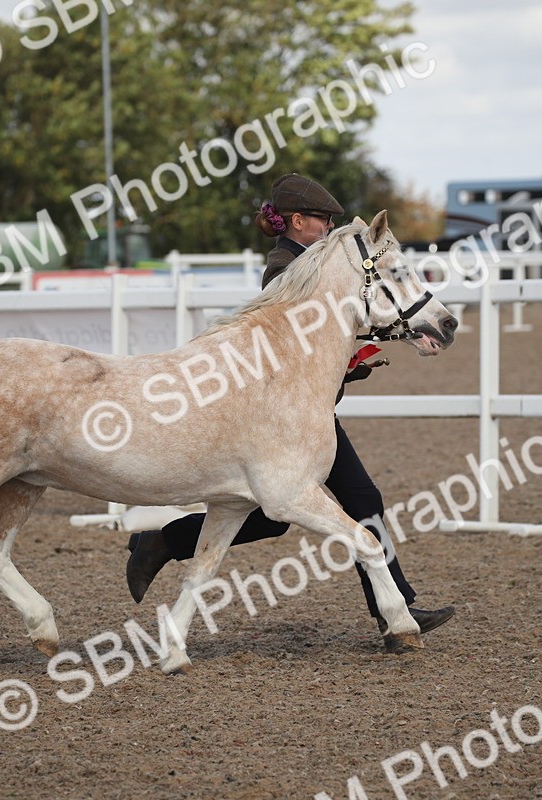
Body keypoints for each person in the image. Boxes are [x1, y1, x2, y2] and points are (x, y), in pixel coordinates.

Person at [125, 173, 455, 649]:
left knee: (361, 499)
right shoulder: (284, 268)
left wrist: (374, 346)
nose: (327, 228)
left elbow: (338, 329)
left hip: (303, 412)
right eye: (321, 220)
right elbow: (298, 339)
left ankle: (397, 611)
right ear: (297, 221)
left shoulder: (316, 263)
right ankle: (166, 541)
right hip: (281, 419)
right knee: (289, 513)